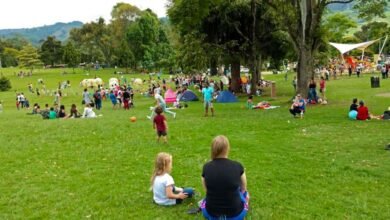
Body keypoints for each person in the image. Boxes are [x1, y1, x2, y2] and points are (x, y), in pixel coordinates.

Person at [200, 135, 249, 220]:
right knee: (245, 194)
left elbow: (206, 190)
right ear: (227, 149)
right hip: (236, 215)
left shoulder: (206, 167)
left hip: (210, 214)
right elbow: (244, 188)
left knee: (205, 199)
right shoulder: (237, 166)